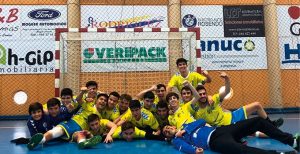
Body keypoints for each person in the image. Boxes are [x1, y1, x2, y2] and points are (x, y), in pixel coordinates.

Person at [27, 81, 104, 150]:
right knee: (60, 129)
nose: (92, 91)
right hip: (74, 122)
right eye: (90, 89)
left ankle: (82, 142)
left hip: (80, 127)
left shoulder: (101, 111)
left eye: (94, 89)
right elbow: (78, 99)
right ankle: (41, 140)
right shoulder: (82, 101)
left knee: (79, 134)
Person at [188, 71, 283, 127]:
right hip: (227, 127)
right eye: (200, 94)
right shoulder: (194, 108)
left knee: (257, 105)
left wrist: (227, 79)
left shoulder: (213, 99)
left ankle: (272, 125)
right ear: (196, 96)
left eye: (205, 93)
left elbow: (227, 91)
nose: (203, 95)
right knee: (253, 129)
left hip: (232, 117)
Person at [163, 117, 299, 154]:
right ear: (168, 136)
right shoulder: (176, 140)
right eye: (166, 131)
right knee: (240, 150)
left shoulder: (187, 126)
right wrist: (194, 150)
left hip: (220, 130)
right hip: (215, 142)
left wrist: (185, 130)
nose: (168, 129)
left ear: (174, 126)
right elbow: (184, 147)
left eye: (168, 127)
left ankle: (292, 141)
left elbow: (202, 121)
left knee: (257, 121)